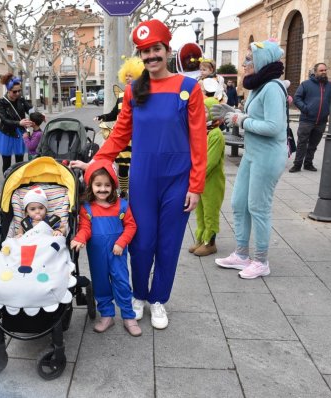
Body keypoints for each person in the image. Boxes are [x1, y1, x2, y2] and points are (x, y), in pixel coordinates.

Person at [70, 19, 207, 330]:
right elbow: (119, 135)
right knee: (141, 242)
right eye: (145, 52)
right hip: (143, 179)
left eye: (155, 50)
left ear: (166, 50)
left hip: (178, 180)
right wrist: (93, 164)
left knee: (169, 244)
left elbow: (199, 141)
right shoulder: (134, 91)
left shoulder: (189, 89)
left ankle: (158, 300)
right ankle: (139, 295)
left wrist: (195, 186)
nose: (150, 57)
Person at [212, 39, 288, 279]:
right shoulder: (259, 86)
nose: (243, 64)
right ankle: (242, 254)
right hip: (253, 154)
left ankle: (261, 261)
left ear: (262, 61)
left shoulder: (273, 87)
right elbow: (257, 118)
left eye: (248, 59)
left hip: (267, 156)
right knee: (238, 203)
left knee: (258, 207)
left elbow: (274, 127)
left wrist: (239, 120)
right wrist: (235, 113)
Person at [70, 161, 140, 337]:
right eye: (98, 185)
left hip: (117, 252)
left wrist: (121, 243)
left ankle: (128, 316)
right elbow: (85, 228)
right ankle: (107, 314)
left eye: (107, 185)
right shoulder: (87, 208)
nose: (102, 189)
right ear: (91, 186)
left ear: (114, 185)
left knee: (122, 282)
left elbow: (131, 226)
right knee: (100, 284)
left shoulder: (122, 205)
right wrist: (79, 238)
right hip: (97, 254)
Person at [94, 56, 144, 198]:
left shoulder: (144, 95)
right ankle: (123, 191)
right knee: (122, 166)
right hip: (122, 136)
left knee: (137, 167)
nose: (128, 78)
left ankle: (137, 191)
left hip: (138, 137)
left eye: (132, 76)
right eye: (126, 76)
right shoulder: (122, 95)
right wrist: (102, 117)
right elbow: (114, 113)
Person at [190, 79, 226, 257]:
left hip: (211, 182)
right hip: (200, 181)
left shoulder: (216, 134)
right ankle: (200, 238)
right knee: (200, 212)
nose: (201, 114)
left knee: (210, 212)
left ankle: (210, 242)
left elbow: (209, 162)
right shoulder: (201, 132)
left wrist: (197, 174)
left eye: (204, 111)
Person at [289, 62, 331, 173]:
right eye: (321, 70)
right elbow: (297, 98)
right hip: (306, 120)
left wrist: (328, 111)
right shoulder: (306, 84)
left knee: (313, 144)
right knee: (302, 143)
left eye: (325, 70)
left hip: (321, 121)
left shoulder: (330, 86)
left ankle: (308, 163)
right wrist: (305, 109)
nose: (324, 72)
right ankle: (297, 164)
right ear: (315, 72)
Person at [0, 73, 32, 174]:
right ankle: (7, 180)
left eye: (19, 91)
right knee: (6, 161)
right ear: (8, 90)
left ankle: (18, 179)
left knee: (20, 161)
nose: (17, 93)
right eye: (14, 91)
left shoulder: (21, 99)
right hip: (6, 134)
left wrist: (39, 115)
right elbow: (4, 120)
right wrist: (19, 122)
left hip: (20, 133)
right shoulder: (1, 102)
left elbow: (30, 110)